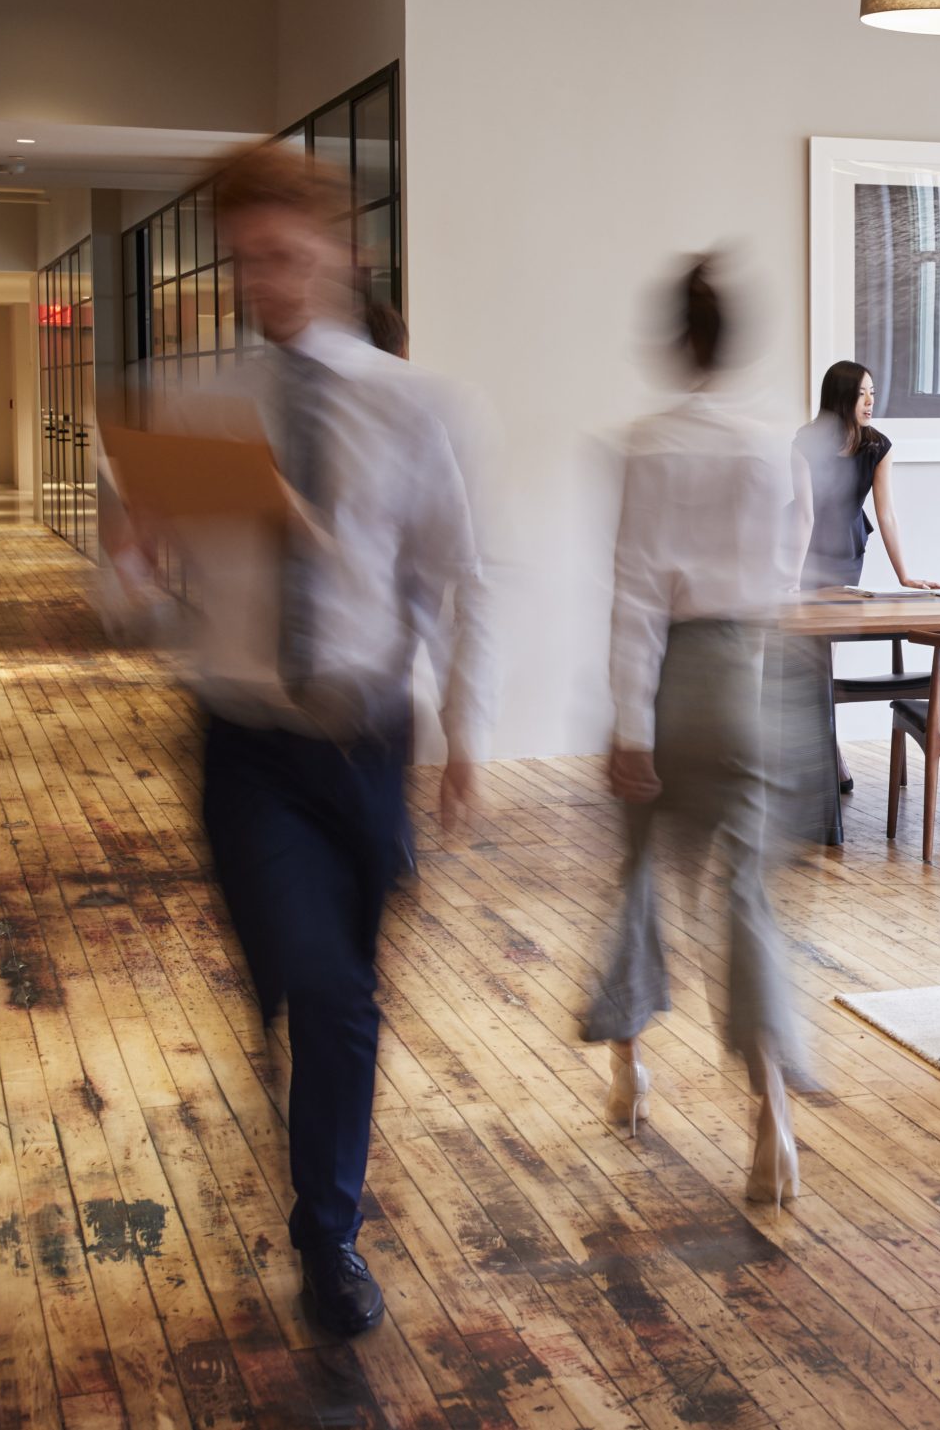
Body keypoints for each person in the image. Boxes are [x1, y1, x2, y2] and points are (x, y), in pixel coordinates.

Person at [112, 142, 493, 1339]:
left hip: (366, 743)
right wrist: (127, 557)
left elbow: (453, 577)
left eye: (285, 254)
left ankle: (323, 1193)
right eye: (246, 260)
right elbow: (131, 606)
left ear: (339, 253)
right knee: (321, 987)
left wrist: (467, 731)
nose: (264, 280)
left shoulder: (413, 402)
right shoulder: (193, 399)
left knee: (337, 994)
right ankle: (329, 1238)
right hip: (246, 741)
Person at [585, 255, 810, 1207]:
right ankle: (772, 1123)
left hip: (677, 678)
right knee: (745, 896)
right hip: (754, 681)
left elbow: (636, 590)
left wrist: (629, 723)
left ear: (676, 340)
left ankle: (629, 1069)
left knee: (639, 875)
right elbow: (789, 571)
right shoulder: (773, 449)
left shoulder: (646, 445)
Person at [793, 360, 938, 591]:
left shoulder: (878, 447)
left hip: (847, 547)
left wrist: (904, 577)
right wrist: (793, 578)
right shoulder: (806, 443)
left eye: (872, 393)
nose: (870, 401)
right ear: (840, 398)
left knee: (841, 620)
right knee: (801, 619)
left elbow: (887, 515)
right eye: (861, 394)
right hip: (801, 547)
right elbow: (804, 515)